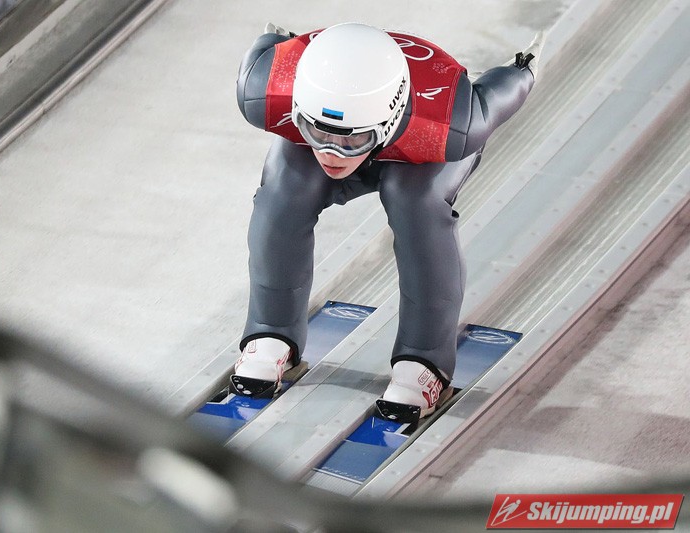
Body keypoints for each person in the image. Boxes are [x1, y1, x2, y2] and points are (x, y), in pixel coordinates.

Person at [229, 22, 538, 420]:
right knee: (284, 193)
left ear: (388, 121)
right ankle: (270, 331)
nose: (332, 154)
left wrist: (523, 68)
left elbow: (499, 92)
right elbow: (271, 45)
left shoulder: (453, 121)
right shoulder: (264, 90)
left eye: (351, 140)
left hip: (418, 143)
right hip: (370, 125)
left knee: (416, 203)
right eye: (317, 132)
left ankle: (424, 359)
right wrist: (338, 136)